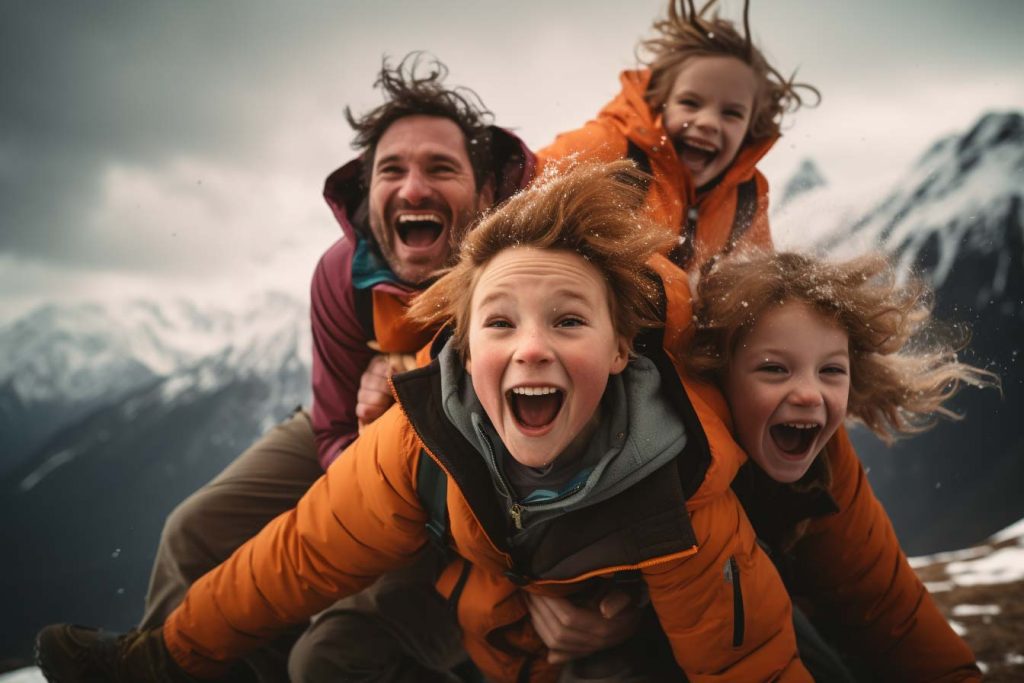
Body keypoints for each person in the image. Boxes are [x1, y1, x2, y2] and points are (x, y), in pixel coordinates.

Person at [38, 161, 821, 682]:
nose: (532, 349)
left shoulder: (680, 480)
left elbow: (747, 659)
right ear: (462, 345)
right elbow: (296, 559)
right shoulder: (422, 435)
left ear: (622, 349)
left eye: (569, 321)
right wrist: (158, 658)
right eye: (500, 323)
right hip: (498, 630)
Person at [36, 52, 534, 681]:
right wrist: (365, 447)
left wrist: (406, 388)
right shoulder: (343, 274)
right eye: (392, 170)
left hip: (467, 474)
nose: (413, 188)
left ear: (487, 192)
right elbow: (330, 429)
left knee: (333, 643)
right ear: (367, 192)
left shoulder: (524, 267)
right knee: (193, 533)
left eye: (441, 168)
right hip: (358, 438)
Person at [678, 250, 996, 680]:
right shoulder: (683, 472)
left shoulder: (826, 464)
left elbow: (888, 610)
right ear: (718, 377)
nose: (810, 394)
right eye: (774, 369)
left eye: (831, 370)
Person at [538, 0, 817, 271]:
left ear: (750, 130)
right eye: (690, 103)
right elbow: (517, 185)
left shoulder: (747, 197)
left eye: (732, 114)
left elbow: (757, 289)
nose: (708, 122)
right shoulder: (609, 149)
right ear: (661, 102)